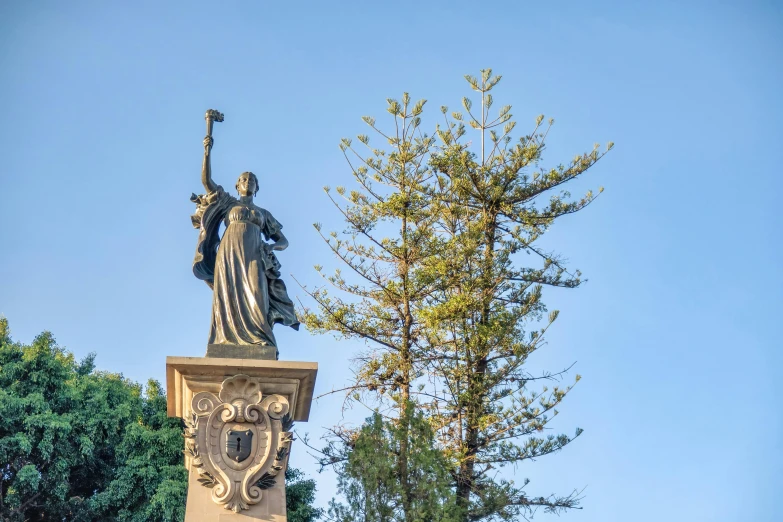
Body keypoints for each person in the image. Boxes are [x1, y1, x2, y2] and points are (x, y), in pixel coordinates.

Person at [191, 134, 299, 348]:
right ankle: (226, 339)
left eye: (252, 180)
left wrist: (272, 246)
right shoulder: (228, 203)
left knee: (258, 295)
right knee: (228, 294)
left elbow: (283, 241)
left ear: (256, 188)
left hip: (253, 254)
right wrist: (207, 151)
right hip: (229, 254)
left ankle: (260, 338)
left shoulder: (263, 213)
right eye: (243, 179)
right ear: (237, 185)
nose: (247, 182)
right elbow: (207, 181)